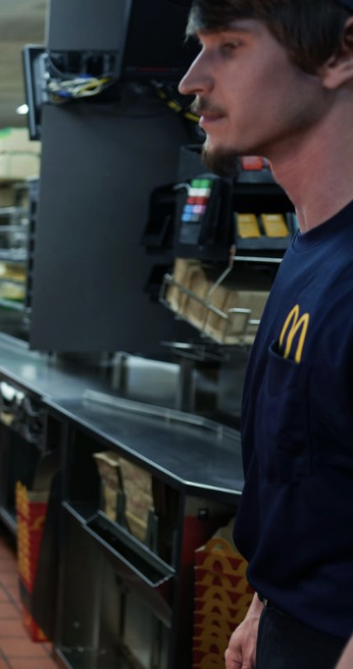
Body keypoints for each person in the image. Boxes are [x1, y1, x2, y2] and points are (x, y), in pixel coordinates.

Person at [178, 1, 353, 668]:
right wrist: (265, 602)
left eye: (228, 45)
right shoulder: (311, 244)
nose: (192, 79)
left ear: (340, 54)